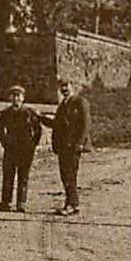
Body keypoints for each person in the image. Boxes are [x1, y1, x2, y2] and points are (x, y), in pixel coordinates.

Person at [38, 78, 91, 215]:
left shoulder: (80, 102)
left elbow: (85, 125)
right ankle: (72, 203)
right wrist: (41, 118)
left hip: (73, 146)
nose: (64, 89)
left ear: (72, 86)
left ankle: (71, 204)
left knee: (70, 175)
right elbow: (57, 125)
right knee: (65, 175)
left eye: (66, 86)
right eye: (61, 87)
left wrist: (79, 143)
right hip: (63, 147)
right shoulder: (63, 105)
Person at [0, 85, 42, 212]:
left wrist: (33, 145)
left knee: (23, 176)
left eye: (18, 96)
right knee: (8, 176)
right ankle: (5, 203)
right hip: (11, 148)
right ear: (10, 98)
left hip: (26, 149)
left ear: (23, 98)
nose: (16, 99)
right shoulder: (5, 113)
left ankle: (21, 203)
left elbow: (38, 130)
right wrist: (5, 142)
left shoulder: (29, 112)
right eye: (13, 96)